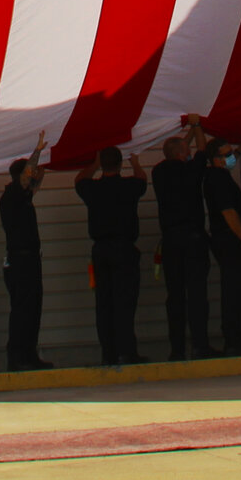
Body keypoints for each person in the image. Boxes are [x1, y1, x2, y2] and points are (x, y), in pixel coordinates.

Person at [76, 146, 149, 365]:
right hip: (124, 248)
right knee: (124, 301)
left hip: (101, 250)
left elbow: (80, 179)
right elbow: (142, 178)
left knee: (104, 303)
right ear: (120, 164)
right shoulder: (129, 186)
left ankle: (108, 353)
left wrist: (94, 164)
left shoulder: (92, 189)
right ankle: (126, 352)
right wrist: (134, 161)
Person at [151, 122, 212, 360]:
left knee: (174, 295)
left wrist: (186, 139)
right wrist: (197, 127)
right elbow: (202, 150)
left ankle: (177, 349)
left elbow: (182, 151)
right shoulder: (191, 170)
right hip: (193, 237)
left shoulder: (158, 172)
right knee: (196, 292)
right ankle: (200, 345)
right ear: (181, 154)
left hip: (171, 240)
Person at [0, 132, 54, 371]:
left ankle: (29, 354)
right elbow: (29, 176)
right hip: (20, 261)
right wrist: (38, 150)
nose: (33, 179)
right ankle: (17, 357)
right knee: (22, 310)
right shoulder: (11, 195)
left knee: (33, 309)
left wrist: (44, 161)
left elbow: (37, 177)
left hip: (30, 259)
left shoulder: (23, 197)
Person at [203, 134, 241, 356]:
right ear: (215, 159)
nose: (231, 157)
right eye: (226, 155)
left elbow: (232, 154)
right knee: (235, 289)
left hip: (227, 239)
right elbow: (229, 212)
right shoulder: (218, 179)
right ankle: (234, 338)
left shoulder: (219, 175)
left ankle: (237, 336)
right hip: (229, 239)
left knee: (240, 287)